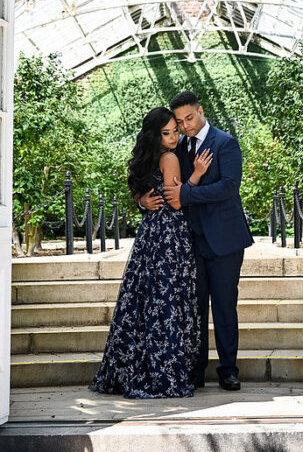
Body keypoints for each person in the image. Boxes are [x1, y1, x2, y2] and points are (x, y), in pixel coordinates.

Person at [90, 105, 212, 398]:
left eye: (174, 130)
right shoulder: (169, 158)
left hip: (149, 236)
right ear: (156, 137)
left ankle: (132, 367)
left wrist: (143, 202)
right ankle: (165, 370)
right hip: (170, 236)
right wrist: (196, 175)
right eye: (166, 133)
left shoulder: (147, 159)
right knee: (167, 299)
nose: (173, 137)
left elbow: (139, 192)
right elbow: (177, 201)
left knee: (144, 301)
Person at [161, 91, 253, 392]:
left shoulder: (225, 143)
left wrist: (186, 195)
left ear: (200, 111)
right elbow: (169, 184)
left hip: (225, 240)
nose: (186, 126)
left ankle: (228, 370)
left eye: (189, 118)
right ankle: (196, 370)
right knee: (195, 309)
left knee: (225, 307)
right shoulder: (179, 146)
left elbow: (229, 187)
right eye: (180, 121)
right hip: (191, 241)